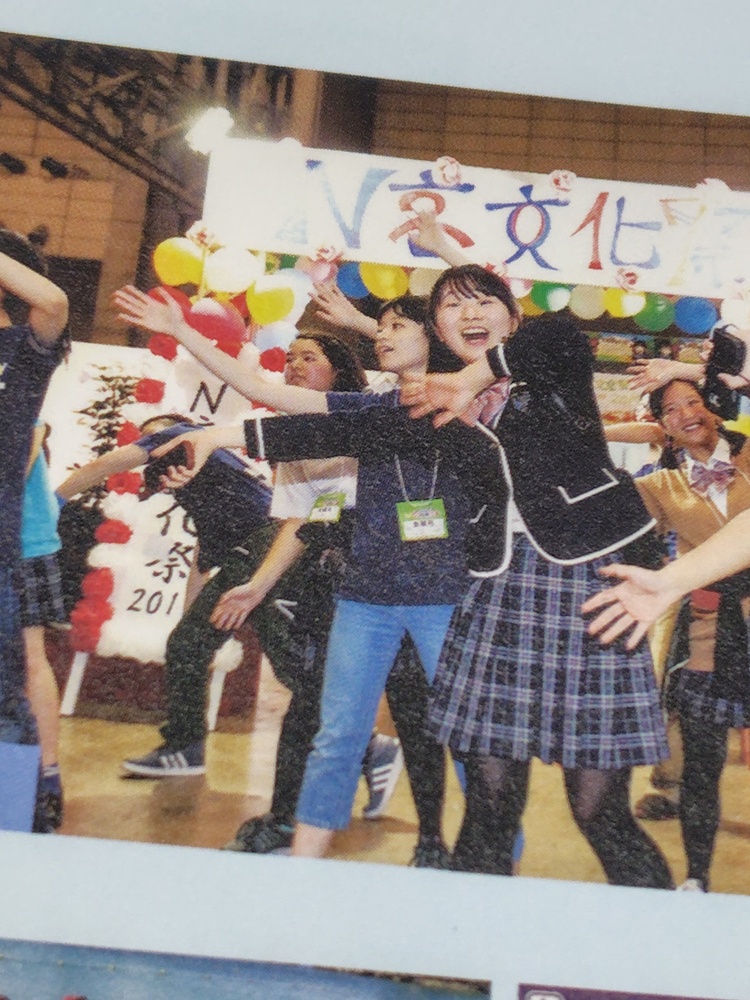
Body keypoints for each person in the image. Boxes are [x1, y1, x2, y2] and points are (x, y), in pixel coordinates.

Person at [152, 295, 504, 865]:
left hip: (444, 599)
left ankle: (488, 859)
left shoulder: (472, 402)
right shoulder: (371, 408)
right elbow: (272, 402)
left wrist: (220, 437)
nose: (382, 335)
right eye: (379, 326)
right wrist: (184, 339)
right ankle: (303, 863)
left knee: (465, 738)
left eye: (396, 326)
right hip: (365, 597)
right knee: (334, 735)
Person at [400, 264, 673, 888]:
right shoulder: (432, 399)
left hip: (592, 585)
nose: (470, 314)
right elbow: (332, 419)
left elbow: (557, 338)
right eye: (452, 306)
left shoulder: (550, 364)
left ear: (512, 317)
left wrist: (468, 381)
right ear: (436, 329)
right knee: (488, 805)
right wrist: (222, 434)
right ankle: (469, 943)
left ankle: (664, 940)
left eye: (484, 301)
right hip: (497, 592)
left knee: (598, 810)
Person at [617, 378, 750, 890]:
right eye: (672, 410)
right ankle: (696, 878)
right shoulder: (659, 485)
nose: (687, 413)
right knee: (702, 764)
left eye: (693, 402)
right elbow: (623, 532)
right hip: (707, 632)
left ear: (713, 409)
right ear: (662, 427)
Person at [0, 229, 68, 829]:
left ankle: (37, 788)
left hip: (14, 541)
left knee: (20, 668)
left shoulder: (20, 353)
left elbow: (52, 303)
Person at [20, 422, 67, 832]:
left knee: (29, 658)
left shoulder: (16, 396)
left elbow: (18, 461)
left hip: (22, 544)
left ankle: (46, 776)